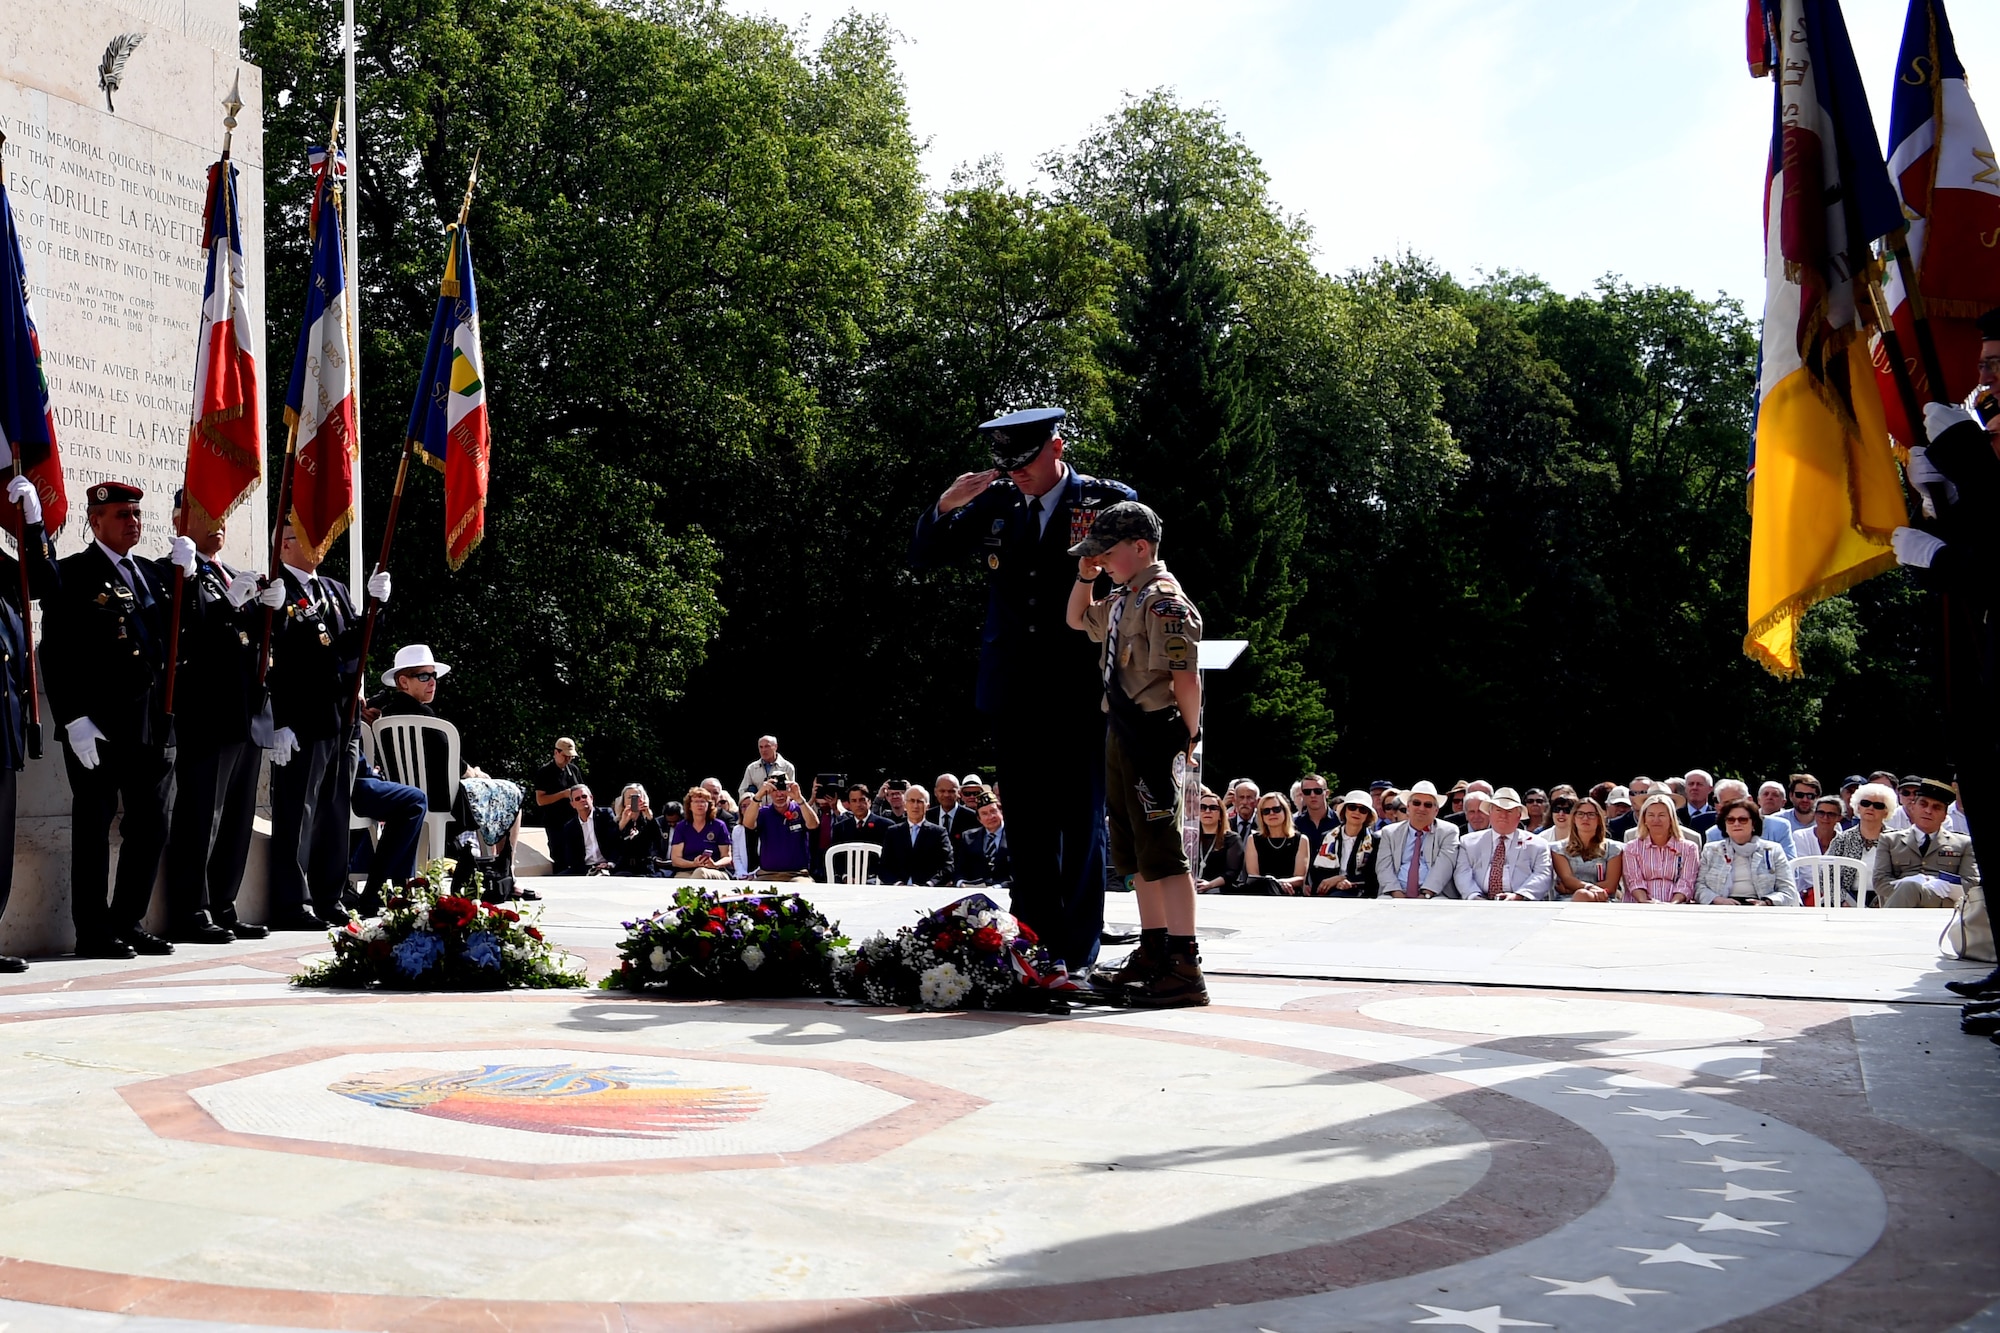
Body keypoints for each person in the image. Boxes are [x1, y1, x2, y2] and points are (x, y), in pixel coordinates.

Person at [909, 405, 1136, 972]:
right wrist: (946, 505)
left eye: (1027, 461)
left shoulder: (1101, 502)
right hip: (1012, 687)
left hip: (1078, 686)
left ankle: (1078, 949)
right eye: (1007, 464)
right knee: (1029, 824)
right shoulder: (997, 500)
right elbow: (925, 556)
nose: (1018, 474)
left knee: (1080, 820)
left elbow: (1141, 567)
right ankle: (1031, 942)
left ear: (1056, 448)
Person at [1067, 500, 1205, 1006]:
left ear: (1140, 547)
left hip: (1153, 732)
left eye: (1106, 552)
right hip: (1122, 731)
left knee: (1165, 854)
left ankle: (1184, 964)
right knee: (1134, 852)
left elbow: (1185, 678)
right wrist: (1086, 575)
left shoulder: (1163, 601)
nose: (1100, 560)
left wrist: (1192, 735)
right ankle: (1153, 951)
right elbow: (1076, 618)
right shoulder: (1125, 598)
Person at [41, 482, 177, 956]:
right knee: (93, 830)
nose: (132, 521)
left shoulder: (150, 575)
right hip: (98, 726)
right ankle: (93, 932)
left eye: (136, 513)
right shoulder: (73, 574)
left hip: (148, 725)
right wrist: (73, 718)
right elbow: (53, 652)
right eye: (121, 514)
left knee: (151, 825)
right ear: (95, 522)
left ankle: (127, 920)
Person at [158, 492, 279, 944]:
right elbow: (187, 633)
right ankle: (192, 908)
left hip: (245, 711)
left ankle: (223, 903)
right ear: (179, 520)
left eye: (223, 516)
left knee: (236, 818)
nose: (219, 524)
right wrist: (226, 600)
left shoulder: (228, 572)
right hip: (207, 711)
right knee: (200, 815)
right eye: (209, 515)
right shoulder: (175, 571)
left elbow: (253, 641)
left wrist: (271, 608)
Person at [264, 523, 389, 927]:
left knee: (335, 810)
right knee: (297, 812)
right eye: (306, 535)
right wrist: (278, 721)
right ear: (283, 545)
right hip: (301, 717)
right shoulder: (275, 588)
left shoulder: (334, 589)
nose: (319, 540)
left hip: (341, 716)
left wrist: (374, 607)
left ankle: (328, 895)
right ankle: (292, 902)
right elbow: (272, 659)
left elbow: (352, 645)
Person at [0, 477, 58, 969]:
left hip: (3, 732)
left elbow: (44, 584)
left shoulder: (5, 577)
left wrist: (35, 524)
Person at [1874, 779, 1980, 910]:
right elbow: (1880, 882)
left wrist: (1945, 886)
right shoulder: (1889, 840)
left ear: (1945, 815)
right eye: (1923, 805)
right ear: (1913, 807)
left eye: (1936, 807)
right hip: (1901, 905)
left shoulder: (1963, 843)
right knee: (1909, 886)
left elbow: (1971, 884)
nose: (1928, 811)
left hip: (1943, 908)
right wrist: (1906, 885)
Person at [1452, 787, 1552, 901]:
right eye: (1498, 810)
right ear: (1490, 813)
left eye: (1509, 811)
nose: (1503, 815)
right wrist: (1474, 896)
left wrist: (1519, 896)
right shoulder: (1468, 842)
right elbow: (1462, 873)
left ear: (1519, 816)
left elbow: (1543, 875)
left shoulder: (1538, 844)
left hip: (1522, 904)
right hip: (1478, 903)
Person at [1696, 797, 1797, 906]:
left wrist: (1767, 903)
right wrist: (1718, 900)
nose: (1736, 824)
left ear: (1753, 824)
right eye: (1730, 820)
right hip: (1721, 907)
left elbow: (1788, 890)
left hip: (1761, 909)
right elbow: (1699, 886)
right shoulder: (1711, 850)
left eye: (1742, 819)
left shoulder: (1773, 850)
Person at [1374, 780, 1461, 898]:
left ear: (1436, 810)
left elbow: (1444, 867)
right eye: (1416, 803)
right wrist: (1396, 893)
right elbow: (1383, 867)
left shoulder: (1448, 832)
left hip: (1435, 895)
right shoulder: (1390, 833)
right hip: (1393, 894)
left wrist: (1426, 893)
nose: (1421, 808)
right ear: (1408, 806)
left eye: (1428, 805)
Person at [1619, 792, 1699, 903]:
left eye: (1661, 815)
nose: (1656, 820)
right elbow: (1634, 880)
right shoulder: (1631, 848)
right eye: (1651, 815)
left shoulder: (1689, 848)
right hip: (1639, 906)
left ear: (1671, 819)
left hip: (1677, 908)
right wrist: (1645, 902)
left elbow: (1686, 881)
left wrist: (1672, 904)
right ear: (1644, 819)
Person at [1826, 781, 1894, 907]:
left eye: (1878, 805)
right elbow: (1825, 876)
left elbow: (1905, 875)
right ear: (1858, 807)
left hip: (1887, 901)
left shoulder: (1896, 840)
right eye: (1865, 803)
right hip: (1848, 901)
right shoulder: (1842, 839)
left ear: (1886, 811)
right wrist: (1842, 901)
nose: (1870, 808)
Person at [741, 774, 817, 881]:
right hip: (767, 874)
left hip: (797, 874)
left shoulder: (800, 809)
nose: (779, 794)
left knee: (804, 890)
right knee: (753, 894)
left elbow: (814, 824)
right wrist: (758, 796)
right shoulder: (764, 813)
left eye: (782, 789)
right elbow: (748, 824)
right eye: (774, 790)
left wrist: (799, 798)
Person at [878, 783, 955, 886]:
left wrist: (929, 884)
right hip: (897, 891)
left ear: (927, 806)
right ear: (905, 805)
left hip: (928, 891)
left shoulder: (938, 833)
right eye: (911, 801)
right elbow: (883, 866)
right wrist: (898, 884)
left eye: (919, 801)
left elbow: (948, 866)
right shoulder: (893, 832)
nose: (915, 805)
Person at [1550, 797, 1620, 902]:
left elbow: (1610, 885)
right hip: (1568, 900)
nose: (1585, 818)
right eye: (1580, 814)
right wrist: (1588, 888)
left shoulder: (1614, 849)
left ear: (1599, 819)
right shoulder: (1558, 848)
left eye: (1591, 814)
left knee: (1582, 894)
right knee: (1582, 895)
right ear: (1573, 818)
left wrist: (1576, 890)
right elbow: (1567, 880)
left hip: (1603, 899)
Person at [1704, 778, 1798, 855]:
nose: (1732, 807)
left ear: (1749, 800)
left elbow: (1791, 868)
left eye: (1736, 801)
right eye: (1726, 803)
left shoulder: (1779, 827)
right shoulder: (1713, 834)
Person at [1312, 790, 1378, 898]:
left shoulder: (1375, 841)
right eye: (1352, 807)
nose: (1357, 812)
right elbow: (1316, 870)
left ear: (1368, 815)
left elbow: (1372, 875)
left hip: (1360, 891)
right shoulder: (1327, 837)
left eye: (1363, 809)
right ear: (1344, 810)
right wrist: (1334, 882)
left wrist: (1343, 879)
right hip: (1328, 890)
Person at [1245, 792, 1309, 895]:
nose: (1271, 814)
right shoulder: (1253, 839)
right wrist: (1272, 883)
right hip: (1261, 892)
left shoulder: (1301, 839)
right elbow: (1254, 877)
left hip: (1290, 891)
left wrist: (1279, 883)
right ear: (1261, 816)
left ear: (1285, 811)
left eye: (1276, 809)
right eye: (1266, 811)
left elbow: (1300, 878)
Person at [551, 786, 619, 875]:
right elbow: (571, 857)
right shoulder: (570, 827)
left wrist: (610, 863)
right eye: (577, 798)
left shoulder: (605, 815)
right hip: (584, 868)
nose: (582, 800)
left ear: (591, 798)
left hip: (607, 865)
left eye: (584, 796)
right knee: (558, 880)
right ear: (573, 804)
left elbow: (616, 842)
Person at [668, 787, 732, 879]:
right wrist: (693, 864)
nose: (700, 805)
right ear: (689, 806)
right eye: (696, 802)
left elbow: (727, 857)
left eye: (703, 801)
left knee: (700, 872)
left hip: (714, 871)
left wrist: (714, 864)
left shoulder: (719, 826)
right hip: (686, 871)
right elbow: (675, 859)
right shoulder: (681, 827)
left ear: (709, 805)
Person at [955, 793, 1012, 886]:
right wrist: (960, 883)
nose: (990, 817)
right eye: (984, 814)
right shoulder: (968, 837)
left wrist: (1001, 886)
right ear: (979, 819)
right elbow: (960, 869)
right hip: (976, 892)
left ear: (1001, 811)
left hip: (1007, 891)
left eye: (993, 811)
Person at [1193, 788, 1244, 893]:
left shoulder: (1232, 839)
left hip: (1220, 892)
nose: (1207, 811)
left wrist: (1209, 885)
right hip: (1191, 889)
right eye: (1202, 807)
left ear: (1221, 814)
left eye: (1213, 808)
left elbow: (1232, 873)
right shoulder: (1191, 837)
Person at [1293, 775, 1339, 890]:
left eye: (1318, 791)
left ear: (1327, 793)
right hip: (1303, 887)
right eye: (1307, 792)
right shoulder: (1294, 825)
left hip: (1334, 885)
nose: (1312, 795)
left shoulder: (1340, 822)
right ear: (1302, 794)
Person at [609, 784, 666, 876]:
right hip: (623, 867)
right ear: (623, 801)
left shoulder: (648, 821)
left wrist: (649, 817)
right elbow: (611, 844)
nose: (633, 801)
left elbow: (658, 839)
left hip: (645, 867)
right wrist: (623, 822)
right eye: (629, 798)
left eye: (636, 797)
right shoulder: (616, 821)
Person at [531, 738, 584, 828]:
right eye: (565, 756)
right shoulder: (544, 772)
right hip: (555, 822)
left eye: (570, 757)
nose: (568, 759)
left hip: (574, 819)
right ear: (556, 752)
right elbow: (540, 800)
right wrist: (563, 794)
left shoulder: (573, 769)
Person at [736, 734, 796, 799]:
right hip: (758, 808)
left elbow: (792, 792)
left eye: (767, 746)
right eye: (761, 747)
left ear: (775, 746)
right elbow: (742, 791)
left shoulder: (787, 767)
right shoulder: (751, 768)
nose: (763, 750)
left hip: (779, 807)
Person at [928, 773, 979, 843]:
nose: (946, 795)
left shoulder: (972, 817)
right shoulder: (927, 816)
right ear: (935, 792)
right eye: (942, 791)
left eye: (951, 791)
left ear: (959, 793)